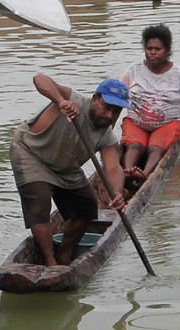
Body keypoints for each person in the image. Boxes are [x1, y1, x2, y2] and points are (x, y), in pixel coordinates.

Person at [10, 74, 131, 267]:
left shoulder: (107, 137)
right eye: (107, 107)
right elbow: (39, 79)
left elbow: (113, 167)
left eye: (116, 112)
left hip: (65, 168)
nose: (109, 115)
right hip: (31, 154)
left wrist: (116, 193)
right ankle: (50, 263)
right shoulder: (73, 100)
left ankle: (64, 256)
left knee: (86, 208)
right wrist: (59, 101)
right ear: (95, 99)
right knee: (38, 200)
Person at [120, 24, 180, 185]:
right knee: (134, 145)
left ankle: (145, 175)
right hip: (137, 124)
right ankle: (127, 172)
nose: (153, 52)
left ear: (168, 51)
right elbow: (117, 100)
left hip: (168, 125)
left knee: (156, 147)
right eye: (149, 48)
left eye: (158, 49)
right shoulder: (133, 70)